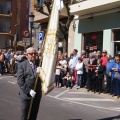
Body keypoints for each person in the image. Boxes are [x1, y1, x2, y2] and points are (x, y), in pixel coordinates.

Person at [17, 47, 42, 120]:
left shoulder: (39, 64)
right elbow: (20, 81)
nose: (33, 55)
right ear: (27, 55)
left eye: (35, 53)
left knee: (34, 114)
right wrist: (29, 91)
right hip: (26, 94)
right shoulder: (22, 65)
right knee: (24, 115)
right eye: (31, 54)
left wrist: (42, 73)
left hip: (36, 94)